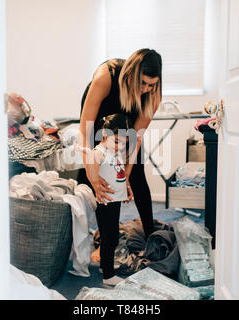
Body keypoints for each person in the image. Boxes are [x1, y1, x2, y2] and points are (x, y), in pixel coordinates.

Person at [77, 48, 163, 281]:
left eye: (152, 85)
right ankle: (101, 242)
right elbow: (85, 130)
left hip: (128, 131)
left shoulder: (152, 94)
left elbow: (136, 140)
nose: (146, 89)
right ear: (132, 75)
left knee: (136, 178)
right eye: (143, 83)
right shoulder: (106, 76)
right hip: (97, 126)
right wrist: (94, 175)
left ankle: (150, 232)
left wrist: (124, 177)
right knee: (93, 180)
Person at [76, 113, 134, 285]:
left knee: (109, 234)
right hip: (106, 201)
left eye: (124, 143)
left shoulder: (113, 151)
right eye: (117, 141)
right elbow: (92, 165)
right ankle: (108, 276)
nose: (120, 146)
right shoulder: (100, 152)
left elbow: (119, 174)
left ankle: (104, 265)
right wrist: (86, 151)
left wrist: (126, 189)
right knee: (111, 237)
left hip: (114, 199)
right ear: (104, 135)